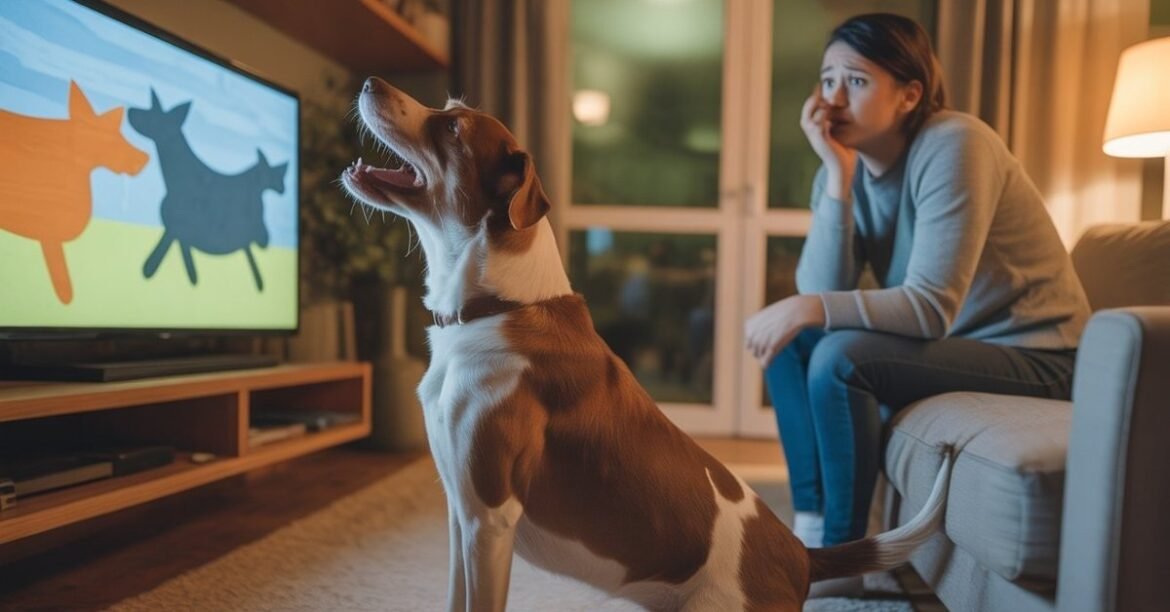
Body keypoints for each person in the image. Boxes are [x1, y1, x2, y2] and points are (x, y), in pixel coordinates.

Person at [743, 12, 1090, 597]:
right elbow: (818, 286)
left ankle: (847, 555)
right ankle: (810, 533)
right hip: (966, 344)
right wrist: (836, 178)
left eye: (855, 80)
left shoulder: (957, 143)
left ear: (910, 94)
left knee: (839, 357)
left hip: (1043, 355)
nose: (833, 98)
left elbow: (931, 307)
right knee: (793, 341)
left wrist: (810, 309)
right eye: (827, 80)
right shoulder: (847, 165)